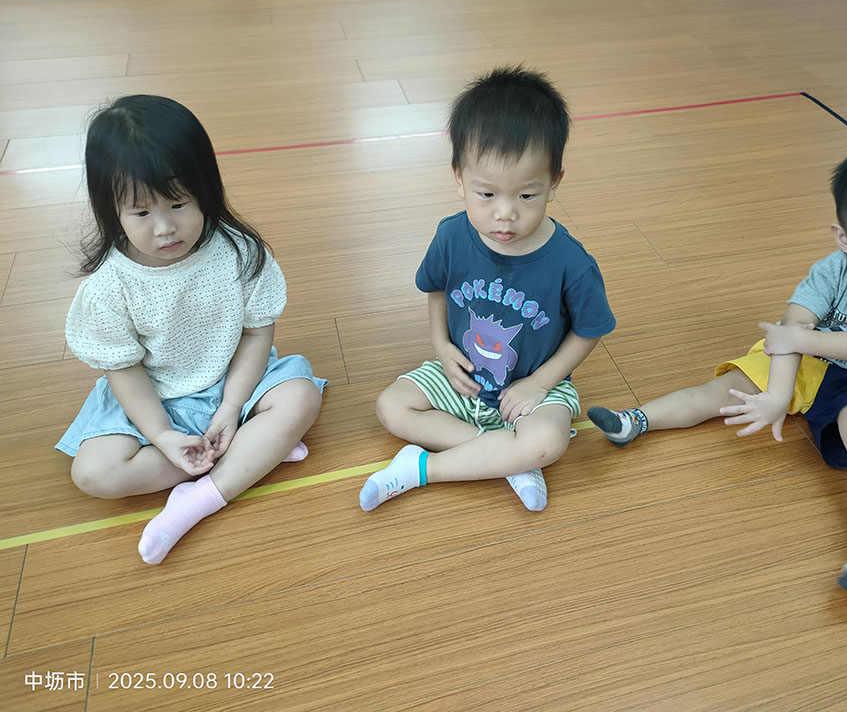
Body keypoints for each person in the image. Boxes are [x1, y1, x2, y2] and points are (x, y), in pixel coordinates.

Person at [588, 146, 847, 592]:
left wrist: (798, 341)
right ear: (844, 238)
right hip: (806, 360)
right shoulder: (832, 270)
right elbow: (792, 327)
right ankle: (635, 420)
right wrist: (777, 394)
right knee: (723, 391)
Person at [57, 95, 326, 564]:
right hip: (153, 399)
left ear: (205, 188)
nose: (165, 228)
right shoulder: (109, 288)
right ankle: (252, 453)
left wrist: (232, 406)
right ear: (110, 209)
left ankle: (200, 497)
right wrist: (162, 436)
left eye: (179, 203)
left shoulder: (239, 253)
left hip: (235, 381)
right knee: (93, 473)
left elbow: (255, 335)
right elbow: (124, 371)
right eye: (141, 213)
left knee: (301, 397)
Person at [362, 66, 616, 512]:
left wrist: (539, 383)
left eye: (526, 196)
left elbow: (590, 329)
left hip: (534, 390)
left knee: (547, 441)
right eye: (486, 195)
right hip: (463, 377)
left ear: (554, 182)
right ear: (459, 178)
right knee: (391, 407)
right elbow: (436, 290)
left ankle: (422, 469)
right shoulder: (451, 235)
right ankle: (508, 458)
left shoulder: (571, 262)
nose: (505, 214)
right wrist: (442, 347)